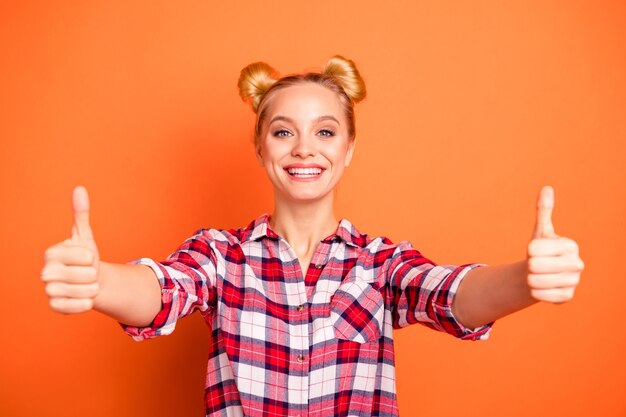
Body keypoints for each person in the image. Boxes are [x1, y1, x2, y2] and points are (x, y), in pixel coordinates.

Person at [40, 56, 584, 417]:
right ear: (261, 148)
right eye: (283, 132)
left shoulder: (381, 264)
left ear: (348, 149)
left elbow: (452, 295)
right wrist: (99, 284)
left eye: (325, 131)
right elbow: (162, 289)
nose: (304, 148)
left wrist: (526, 282)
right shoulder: (221, 256)